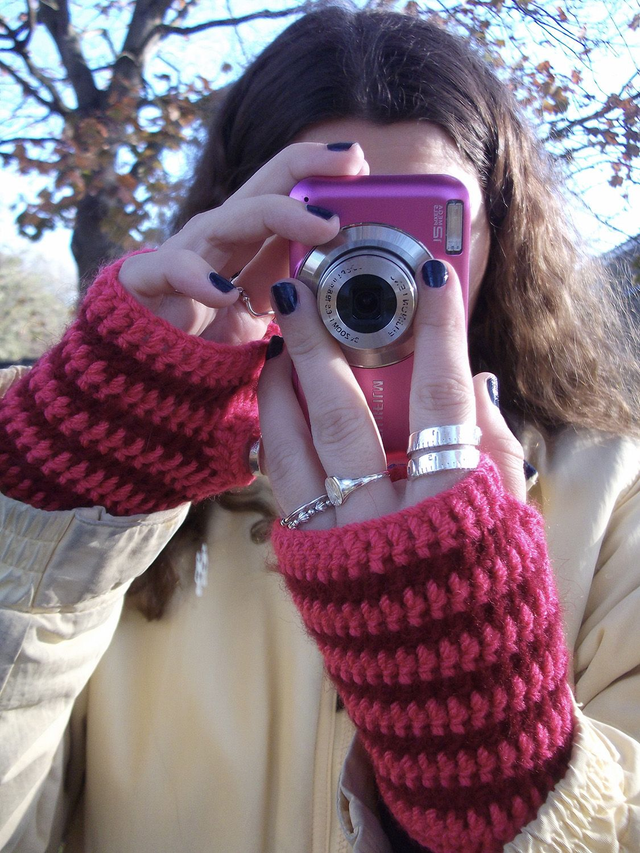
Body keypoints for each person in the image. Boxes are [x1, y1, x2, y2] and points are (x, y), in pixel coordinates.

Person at [1, 5, 639, 852]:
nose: (375, 268)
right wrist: (55, 513)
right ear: (249, 223)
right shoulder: (109, 476)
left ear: (500, 232)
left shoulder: (613, 495)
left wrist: (493, 764)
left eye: (418, 224)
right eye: (330, 224)